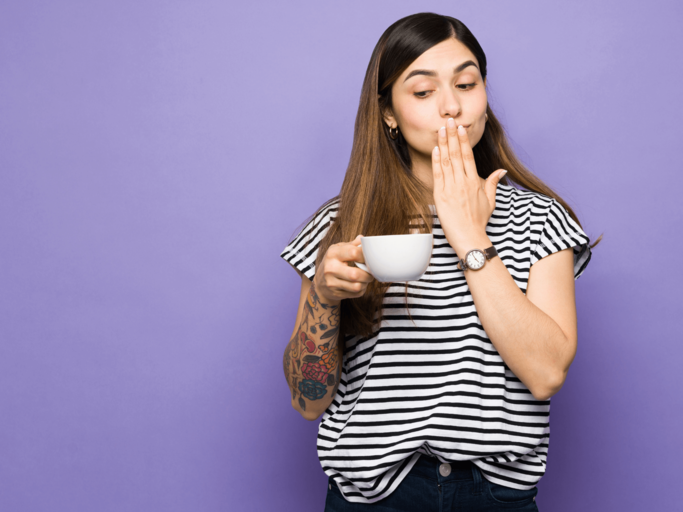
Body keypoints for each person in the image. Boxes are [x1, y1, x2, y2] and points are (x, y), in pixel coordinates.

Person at [280, 12, 601, 512]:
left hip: (494, 495)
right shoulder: (341, 225)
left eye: (467, 84)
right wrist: (323, 298)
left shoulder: (541, 218)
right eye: (423, 92)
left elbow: (545, 373)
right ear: (388, 112)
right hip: (372, 497)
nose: (452, 107)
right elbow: (308, 401)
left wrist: (468, 234)